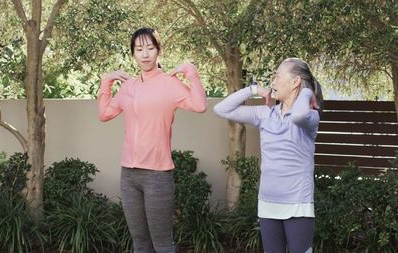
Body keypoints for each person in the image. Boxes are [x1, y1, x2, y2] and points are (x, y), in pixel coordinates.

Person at [98, 27, 206, 253]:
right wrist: (106, 83)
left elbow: (199, 105)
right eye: (139, 49)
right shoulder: (128, 86)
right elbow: (105, 114)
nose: (145, 54)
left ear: (158, 51)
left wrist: (191, 73)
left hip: (157, 175)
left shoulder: (170, 84)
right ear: (133, 54)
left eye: (150, 48)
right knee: (140, 243)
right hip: (129, 175)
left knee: (163, 244)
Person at [214, 58, 323, 253]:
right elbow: (221, 109)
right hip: (268, 203)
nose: (273, 81)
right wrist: (253, 90)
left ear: (295, 82)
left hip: (297, 204)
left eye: (278, 76)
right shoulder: (265, 114)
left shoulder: (310, 116)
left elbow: (298, 116)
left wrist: (307, 92)